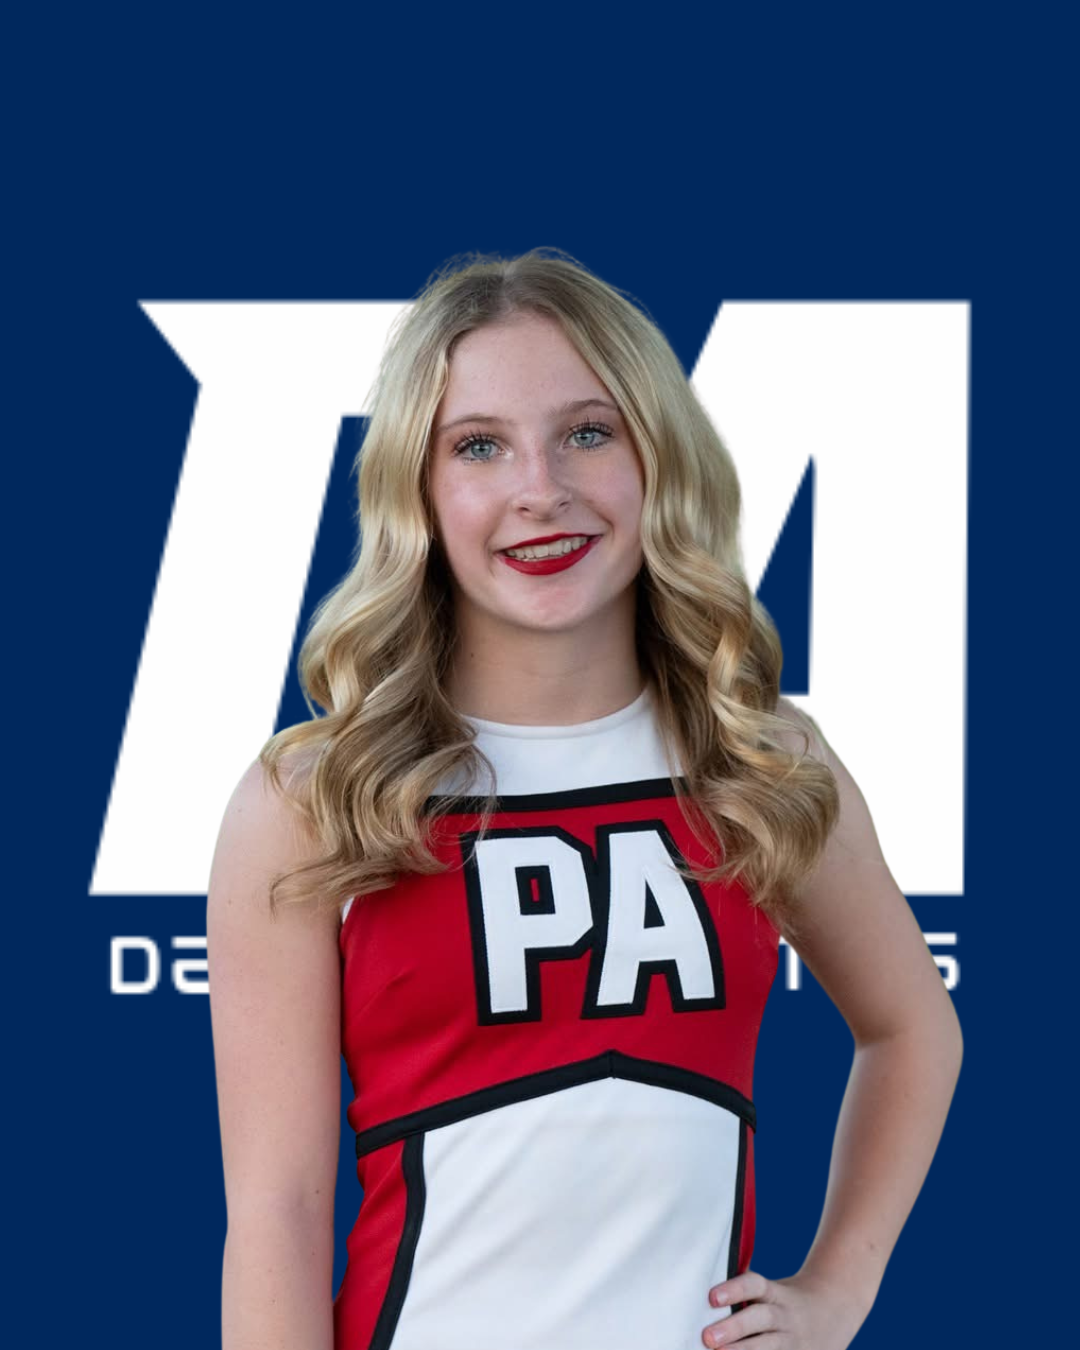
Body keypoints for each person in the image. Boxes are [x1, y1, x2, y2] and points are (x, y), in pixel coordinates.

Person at [207, 248, 963, 1350]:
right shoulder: (318, 795)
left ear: (660, 455)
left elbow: (912, 1030)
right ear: (417, 490)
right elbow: (276, 1211)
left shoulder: (757, 758)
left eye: (588, 432)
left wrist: (838, 1289)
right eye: (479, 447)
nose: (541, 491)